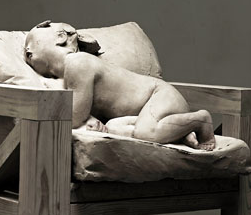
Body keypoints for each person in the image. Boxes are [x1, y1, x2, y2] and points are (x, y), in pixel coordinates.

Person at [25, 21, 215, 150]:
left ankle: (200, 120)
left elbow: (75, 117)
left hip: (159, 95)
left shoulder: (77, 62)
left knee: (145, 133)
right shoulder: (72, 71)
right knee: (113, 128)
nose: (27, 52)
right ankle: (178, 132)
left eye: (31, 45)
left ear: (60, 37)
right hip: (143, 112)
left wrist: (50, 87)